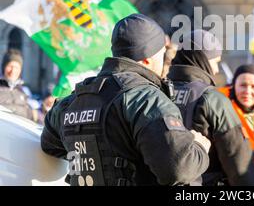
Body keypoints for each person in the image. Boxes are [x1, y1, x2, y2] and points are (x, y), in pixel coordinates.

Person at [41, 14, 211, 186]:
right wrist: (199, 147)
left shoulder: (72, 101)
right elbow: (178, 169)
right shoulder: (146, 99)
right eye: (162, 54)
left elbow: (49, 144)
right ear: (147, 59)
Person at [167, 30, 254, 186]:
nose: (216, 69)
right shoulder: (212, 98)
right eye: (215, 61)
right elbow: (238, 159)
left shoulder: (156, 92)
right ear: (202, 59)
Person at [0, 49, 34, 120]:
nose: (13, 71)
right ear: (4, 67)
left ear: (20, 70)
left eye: (16, 67)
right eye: (10, 66)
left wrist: (44, 109)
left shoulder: (24, 91)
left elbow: (32, 116)